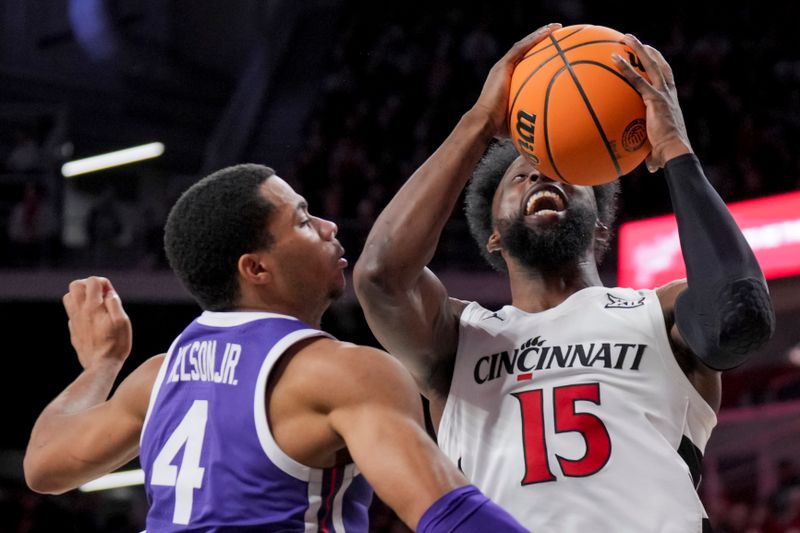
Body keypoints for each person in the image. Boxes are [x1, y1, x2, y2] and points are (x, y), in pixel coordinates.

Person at [353, 24, 775, 532]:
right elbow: (379, 274)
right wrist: (479, 121)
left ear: (600, 226)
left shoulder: (659, 313)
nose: (539, 174)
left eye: (560, 169)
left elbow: (740, 314)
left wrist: (673, 148)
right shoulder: (459, 337)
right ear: (493, 237)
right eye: (520, 177)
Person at [23, 164, 531, 532]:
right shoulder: (337, 372)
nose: (330, 227)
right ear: (256, 269)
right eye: (305, 221)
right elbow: (446, 513)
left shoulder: (158, 378)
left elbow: (43, 466)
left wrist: (102, 364)